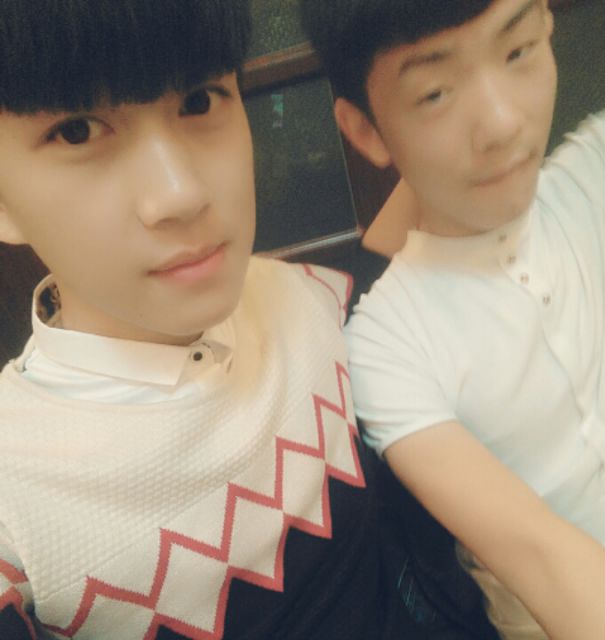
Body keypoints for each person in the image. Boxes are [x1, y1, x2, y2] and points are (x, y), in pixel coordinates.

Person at [0, 2, 485, 638]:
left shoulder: (308, 297)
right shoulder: (14, 492)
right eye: (77, 132)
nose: (181, 194)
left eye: (199, 100)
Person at [300, 0, 605, 638]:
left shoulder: (581, 185)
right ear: (367, 130)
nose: (503, 123)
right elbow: (539, 554)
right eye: (435, 93)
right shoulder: (385, 345)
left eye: (518, 51)